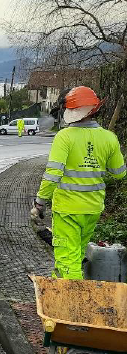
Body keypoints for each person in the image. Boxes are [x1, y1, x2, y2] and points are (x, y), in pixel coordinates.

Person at [32, 86, 126, 279]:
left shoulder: (64, 137)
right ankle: (60, 294)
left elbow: (52, 175)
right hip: (92, 208)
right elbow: (119, 174)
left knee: (68, 260)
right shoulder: (109, 138)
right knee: (77, 253)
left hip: (68, 209)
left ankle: (72, 303)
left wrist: (40, 203)